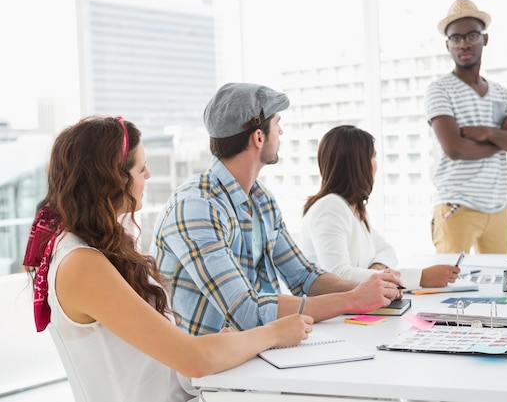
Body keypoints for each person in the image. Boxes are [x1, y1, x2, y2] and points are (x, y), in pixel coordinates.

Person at [22, 116, 313, 402]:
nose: (148, 175)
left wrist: (226, 344)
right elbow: (192, 360)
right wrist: (273, 333)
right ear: (111, 180)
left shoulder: (97, 247)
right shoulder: (81, 264)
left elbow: (168, 357)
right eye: (141, 168)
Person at [151, 83, 402, 336]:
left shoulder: (261, 200)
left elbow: (304, 277)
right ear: (259, 137)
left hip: (257, 353)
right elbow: (246, 312)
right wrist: (353, 299)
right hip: (210, 369)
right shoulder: (197, 206)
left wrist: (371, 287)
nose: (281, 131)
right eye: (277, 123)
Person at [425, 0, 507, 254]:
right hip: (457, 207)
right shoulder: (440, 90)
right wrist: (503, 139)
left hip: (497, 208)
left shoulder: (501, 94)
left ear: (485, 39)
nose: (464, 43)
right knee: (449, 286)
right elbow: (455, 149)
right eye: (456, 38)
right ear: (447, 45)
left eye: (472, 35)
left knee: (499, 289)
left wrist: (487, 133)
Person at [299, 125, 459, 289]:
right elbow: (339, 276)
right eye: (373, 158)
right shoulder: (330, 207)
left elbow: (386, 251)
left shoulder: (352, 207)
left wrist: (375, 271)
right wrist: (420, 278)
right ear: (359, 164)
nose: (376, 165)